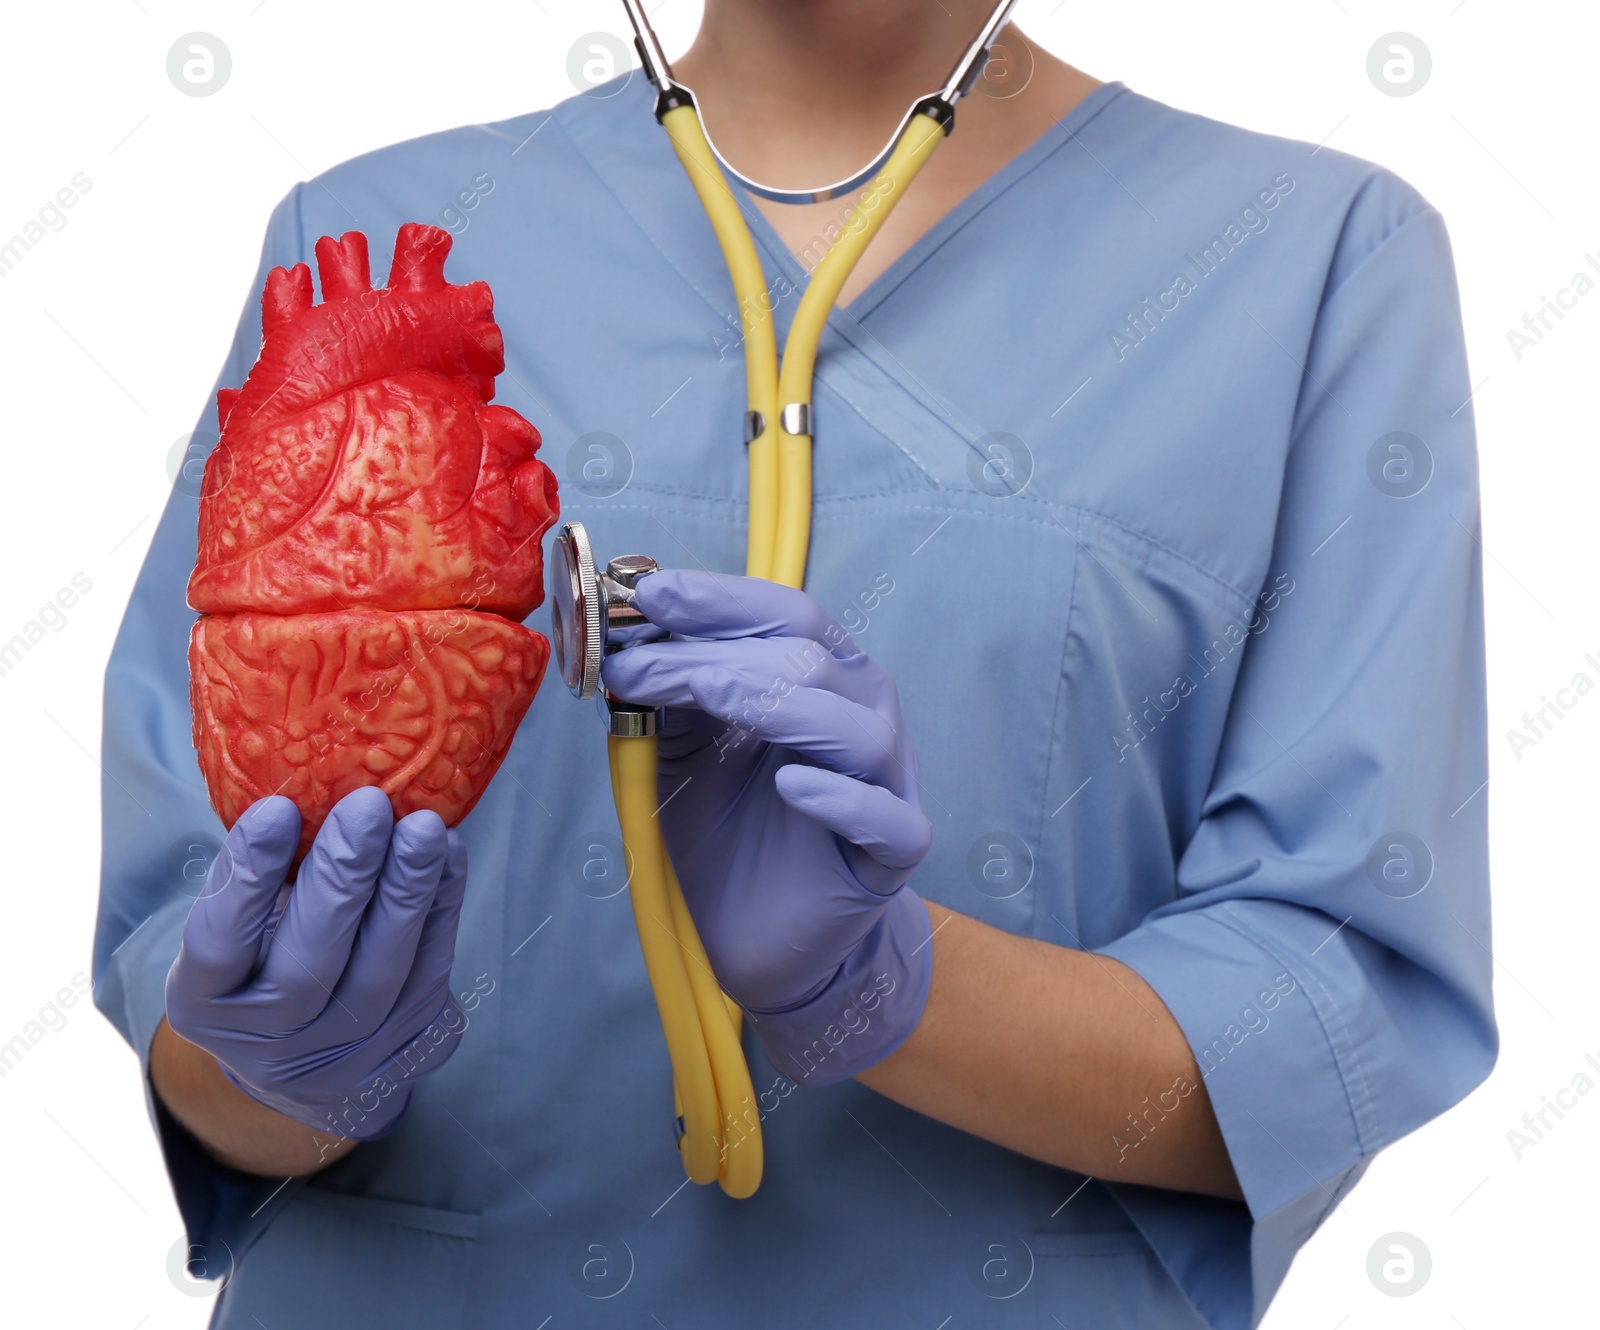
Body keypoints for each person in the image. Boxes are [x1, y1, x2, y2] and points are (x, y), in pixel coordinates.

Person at [93, 2, 1495, 1326]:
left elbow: (1320, 1026)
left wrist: (890, 984)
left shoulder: (1311, 261)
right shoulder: (369, 250)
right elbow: (200, 1012)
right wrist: (284, 1066)